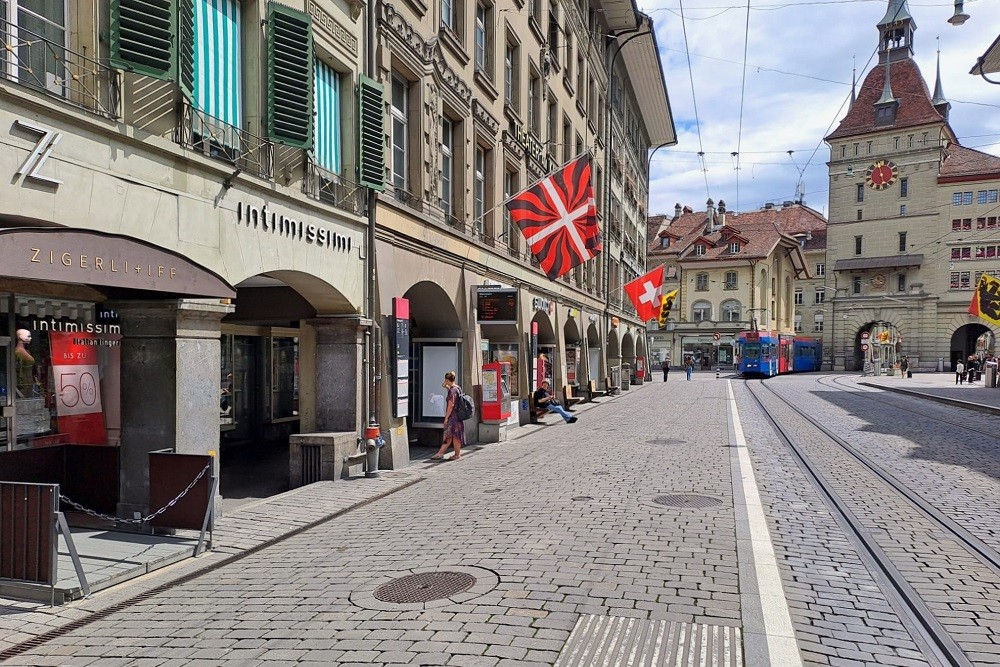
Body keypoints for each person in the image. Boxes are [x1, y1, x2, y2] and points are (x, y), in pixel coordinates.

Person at [431, 371, 465, 460]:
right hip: (458, 416)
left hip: (453, 417)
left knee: (450, 435)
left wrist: (446, 418)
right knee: (454, 435)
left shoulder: (452, 390)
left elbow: (451, 405)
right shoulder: (457, 388)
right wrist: (447, 387)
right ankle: (448, 453)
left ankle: (443, 454)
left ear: (446, 379)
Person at [14, 328, 37, 398]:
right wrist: (20, 384)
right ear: (21, 337)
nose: (31, 338)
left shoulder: (26, 351)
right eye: (28, 336)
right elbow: (18, 369)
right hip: (23, 382)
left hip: (29, 381)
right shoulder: (18, 352)